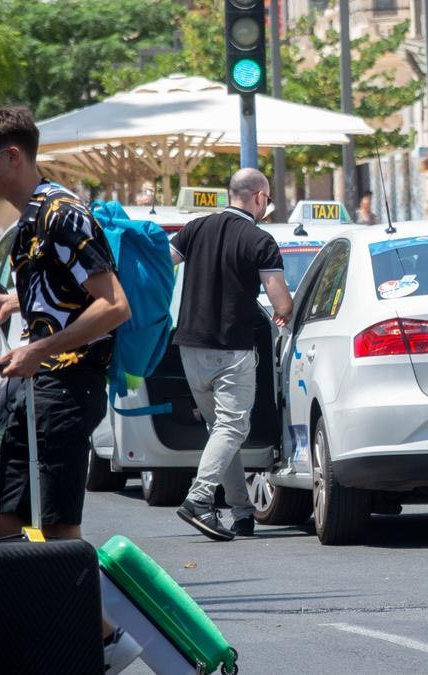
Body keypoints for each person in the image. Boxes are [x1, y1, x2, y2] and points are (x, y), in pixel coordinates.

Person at [0, 106, 140, 672]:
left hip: (66, 385)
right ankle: (45, 635)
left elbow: (114, 306)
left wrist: (39, 347)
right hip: (43, 384)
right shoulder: (33, 216)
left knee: (59, 525)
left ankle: (103, 641)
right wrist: (14, 303)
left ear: (13, 156)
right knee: (6, 518)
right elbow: (63, 292)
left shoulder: (63, 213)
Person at [171, 168, 294, 541]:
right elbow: (280, 301)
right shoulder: (260, 240)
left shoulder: (195, 229)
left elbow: (162, 264)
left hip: (189, 346)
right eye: (268, 201)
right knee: (232, 428)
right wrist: (286, 311)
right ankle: (199, 498)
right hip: (232, 348)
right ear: (259, 197)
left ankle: (242, 512)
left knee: (220, 430)